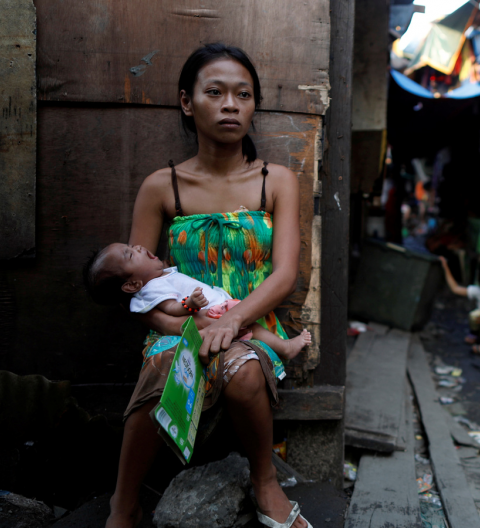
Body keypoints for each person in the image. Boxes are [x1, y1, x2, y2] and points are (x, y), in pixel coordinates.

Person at [105, 43, 310, 528]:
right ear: (186, 102)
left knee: (240, 372)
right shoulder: (162, 187)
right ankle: (123, 503)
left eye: (243, 94)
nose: (230, 104)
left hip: (253, 321)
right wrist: (179, 327)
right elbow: (138, 291)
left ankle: (264, 481)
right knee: (162, 368)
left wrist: (235, 318)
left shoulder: (275, 180)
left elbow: (285, 274)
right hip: (182, 323)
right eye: (214, 92)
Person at [83, 242, 312, 360]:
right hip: (213, 315)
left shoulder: (158, 278)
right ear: (132, 285)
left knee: (248, 326)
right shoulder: (152, 288)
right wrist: (189, 304)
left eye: (131, 246)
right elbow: (171, 308)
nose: (139, 247)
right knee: (249, 326)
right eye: (131, 254)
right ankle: (286, 347)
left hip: (216, 310)